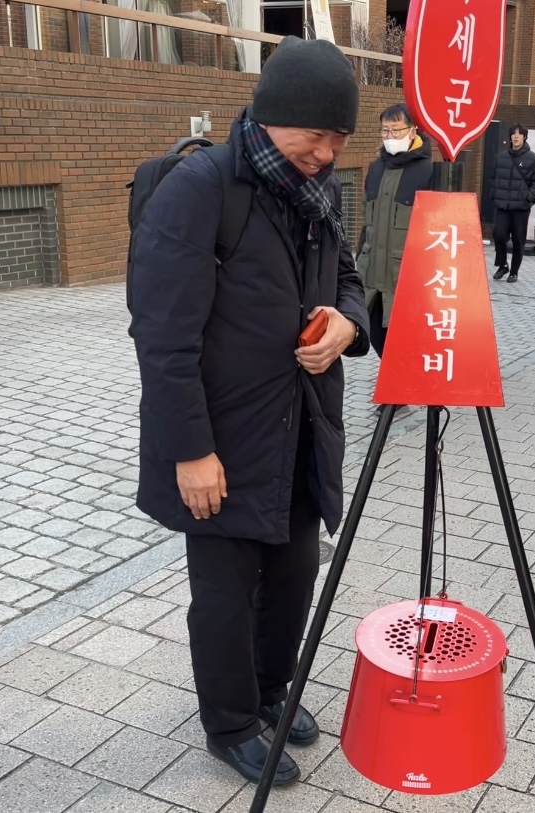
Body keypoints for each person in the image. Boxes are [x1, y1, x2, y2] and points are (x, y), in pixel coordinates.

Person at [127, 36, 370, 787]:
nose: (328, 153)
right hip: (222, 440)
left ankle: (272, 691)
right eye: (317, 134)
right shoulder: (200, 189)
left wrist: (348, 324)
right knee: (226, 595)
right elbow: (162, 337)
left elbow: (353, 277)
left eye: (340, 138)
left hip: (299, 428)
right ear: (271, 116)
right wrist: (189, 451)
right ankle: (230, 721)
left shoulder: (319, 189)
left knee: (294, 572)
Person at [357, 102, 432, 358]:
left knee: (412, 338)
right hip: (373, 272)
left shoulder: (428, 170)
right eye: (385, 131)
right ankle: (396, 391)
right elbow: (369, 223)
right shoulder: (376, 168)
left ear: (413, 131)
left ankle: (425, 394)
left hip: (406, 275)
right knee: (377, 334)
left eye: (396, 130)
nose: (389, 137)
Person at [491, 124, 535, 283]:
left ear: (524, 137)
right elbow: (493, 177)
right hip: (503, 205)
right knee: (499, 235)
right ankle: (502, 265)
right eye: (513, 134)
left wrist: (528, 197)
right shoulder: (501, 157)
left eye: (519, 134)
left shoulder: (533, 159)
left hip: (520, 208)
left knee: (517, 240)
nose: (516, 137)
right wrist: (494, 194)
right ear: (509, 137)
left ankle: (514, 271)